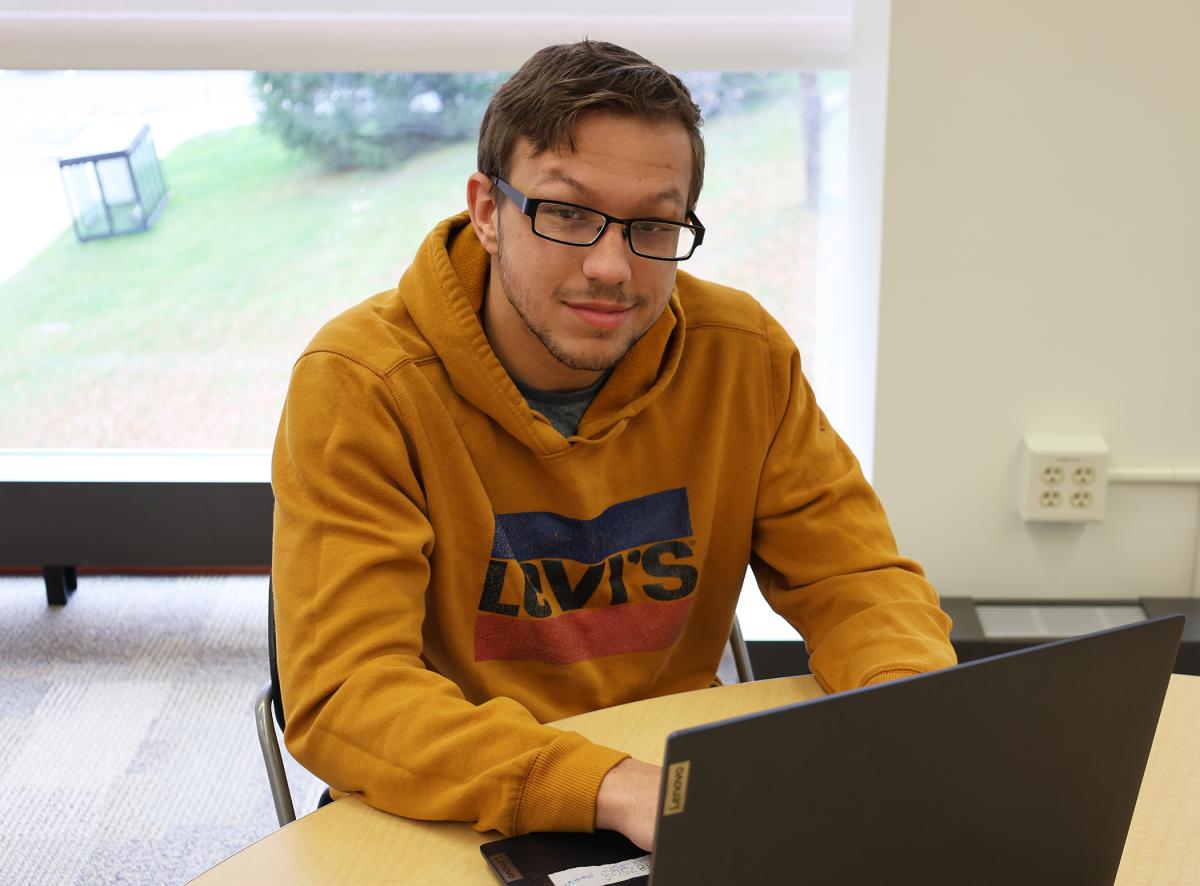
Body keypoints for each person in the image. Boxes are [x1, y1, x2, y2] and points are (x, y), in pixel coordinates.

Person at [271, 39, 956, 852]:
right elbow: (348, 694)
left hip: (671, 780)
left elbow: (856, 578)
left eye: (654, 225)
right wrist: (606, 785)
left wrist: (907, 709)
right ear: (489, 211)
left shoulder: (741, 355)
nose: (611, 267)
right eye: (566, 213)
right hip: (447, 802)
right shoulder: (361, 384)